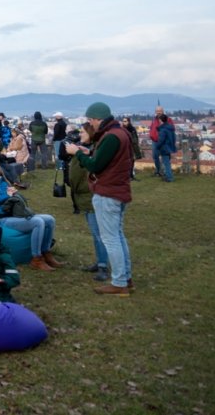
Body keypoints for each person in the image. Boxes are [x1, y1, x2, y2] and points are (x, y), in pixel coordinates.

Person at [66, 101, 134, 296]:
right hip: (119, 189)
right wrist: (90, 152)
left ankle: (119, 282)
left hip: (108, 192)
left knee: (110, 239)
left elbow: (95, 166)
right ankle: (126, 277)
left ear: (97, 119)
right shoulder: (121, 133)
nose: (90, 124)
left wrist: (78, 153)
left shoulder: (111, 137)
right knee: (118, 236)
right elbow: (108, 159)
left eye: (91, 120)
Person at [0, 160, 59, 271]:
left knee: (50, 219)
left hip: (14, 214)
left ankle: (46, 253)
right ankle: (36, 258)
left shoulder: (3, 182)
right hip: (1, 218)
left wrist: (14, 193)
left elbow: (11, 198)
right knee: (38, 222)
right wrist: (6, 195)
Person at [64, 123, 109, 282]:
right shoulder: (89, 150)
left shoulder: (92, 153)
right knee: (96, 233)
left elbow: (87, 175)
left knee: (99, 234)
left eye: (83, 132)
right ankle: (100, 261)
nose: (80, 135)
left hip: (90, 195)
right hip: (86, 196)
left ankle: (103, 266)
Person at [149, 105, 172, 177]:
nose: (158, 112)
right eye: (157, 111)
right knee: (155, 156)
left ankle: (164, 172)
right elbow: (151, 128)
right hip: (155, 141)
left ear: (163, 111)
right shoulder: (154, 120)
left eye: (160, 111)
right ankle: (158, 171)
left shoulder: (167, 119)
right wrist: (151, 134)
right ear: (155, 112)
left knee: (165, 157)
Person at [156, 114, 176, 183]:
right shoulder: (170, 128)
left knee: (166, 163)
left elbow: (161, 140)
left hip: (164, 148)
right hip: (169, 147)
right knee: (167, 162)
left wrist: (157, 146)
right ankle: (167, 176)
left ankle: (169, 178)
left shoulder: (163, 130)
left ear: (161, 120)